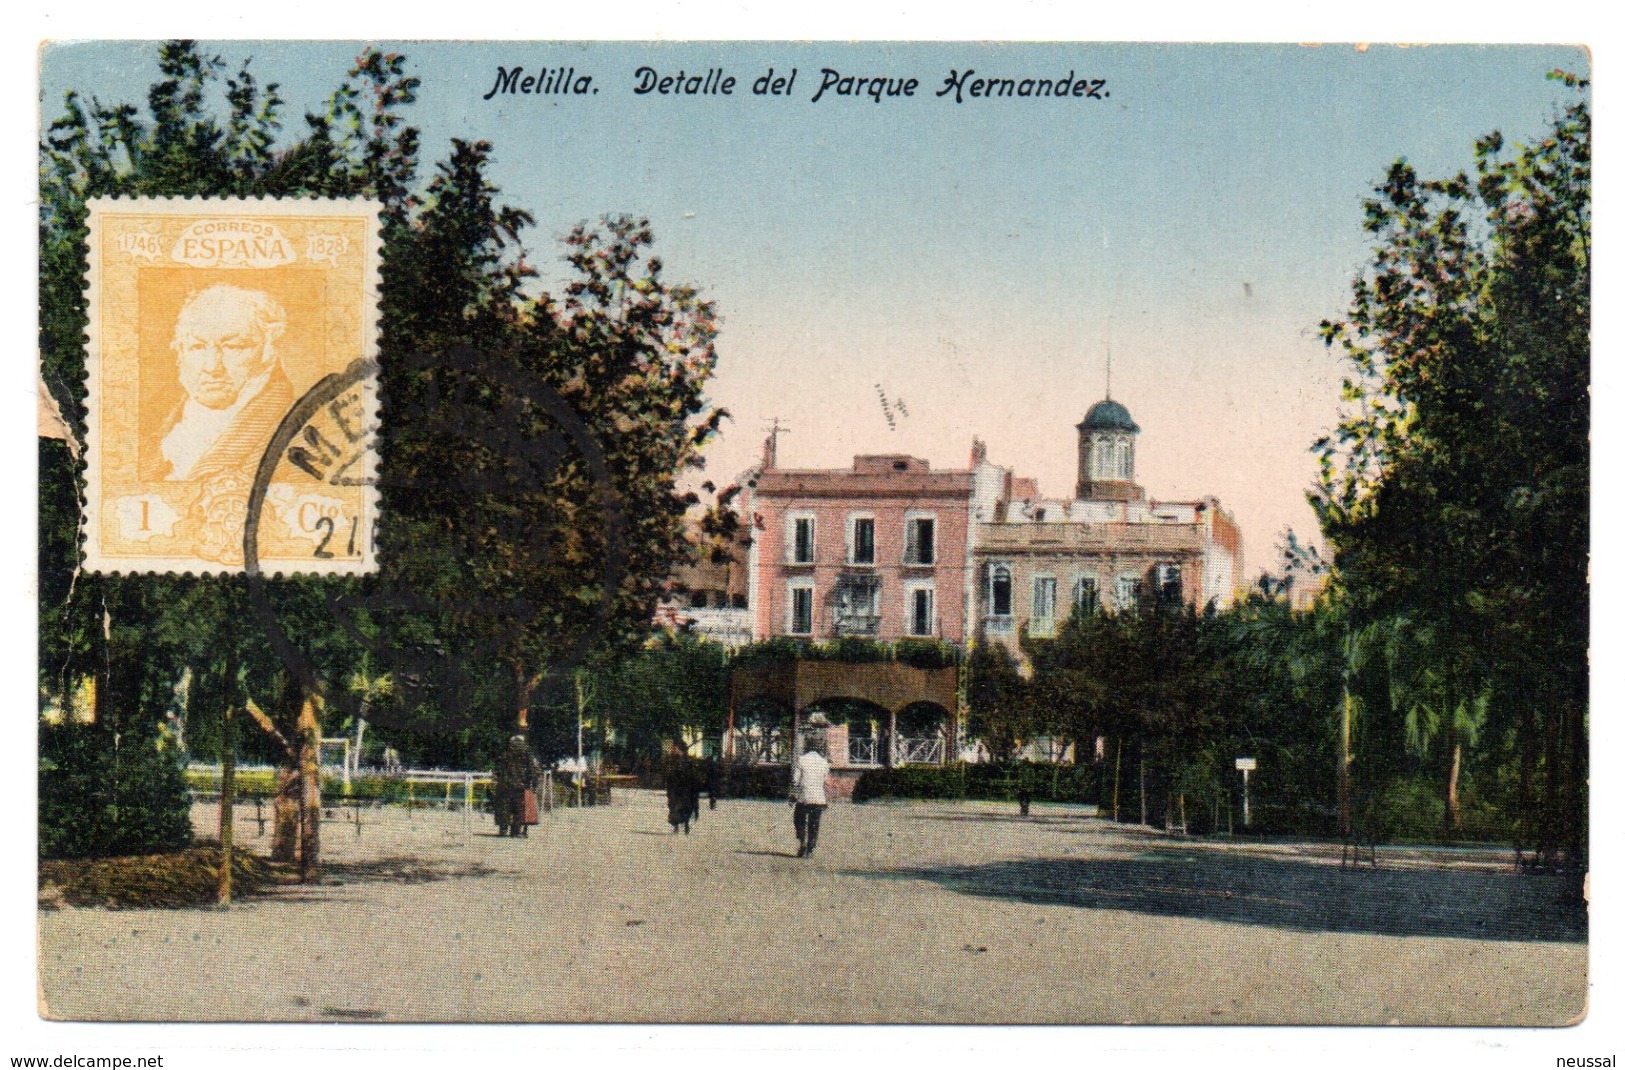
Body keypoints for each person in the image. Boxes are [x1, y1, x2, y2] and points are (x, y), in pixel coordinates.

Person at [143, 284, 296, 483]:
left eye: (232, 347)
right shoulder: (163, 432)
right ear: (180, 352)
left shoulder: (298, 434)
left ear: (267, 351)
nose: (212, 367)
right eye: (197, 347)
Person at [491, 734, 539, 838]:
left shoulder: (505, 752)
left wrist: (497, 779)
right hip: (520, 784)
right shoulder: (527, 752)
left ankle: (503, 829)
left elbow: (497, 768)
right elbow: (533, 769)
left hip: (504, 783)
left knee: (504, 806)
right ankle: (515, 831)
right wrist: (534, 784)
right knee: (518, 808)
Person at [790, 742, 832, 858]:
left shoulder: (801, 760)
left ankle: (802, 842)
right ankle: (810, 849)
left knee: (799, 820)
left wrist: (792, 796)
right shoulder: (824, 763)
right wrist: (826, 800)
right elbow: (827, 783)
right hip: (819, 798)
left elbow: (795, 780)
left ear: (806, 748)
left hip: (804, 797)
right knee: (814, 824)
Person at [665, 745, 697, 835]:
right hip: (675, 789)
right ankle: (676, 826)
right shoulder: (671, 761)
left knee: (685, 807)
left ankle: (686, 825)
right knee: (673, 807)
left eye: (676, 749)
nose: (674, 751)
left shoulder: (688, 761)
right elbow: (668, 776)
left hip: (685, 788)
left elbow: (692, 775)